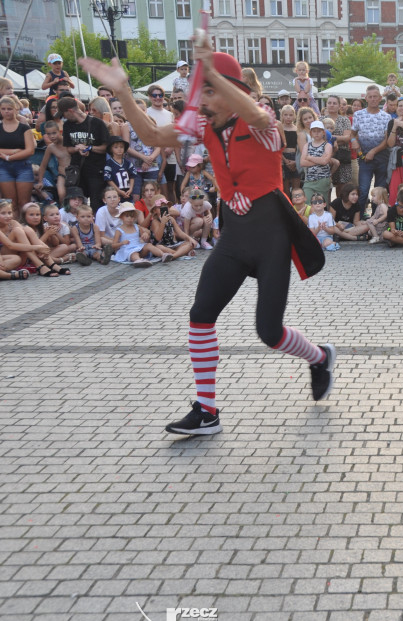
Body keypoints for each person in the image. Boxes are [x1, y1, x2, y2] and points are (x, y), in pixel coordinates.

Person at [81, 44, 334, 436]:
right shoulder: (201, 126)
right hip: (232, 237)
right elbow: (149, 133)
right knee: (200, 316)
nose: (203, 99)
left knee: (269, 332)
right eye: (204, 90)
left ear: (232, 89)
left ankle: (318, 357)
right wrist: (124, 92)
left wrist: (211, 74)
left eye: (211, 92)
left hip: (271, 238)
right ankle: (207, 411)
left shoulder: (261, 119)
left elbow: (250, 111)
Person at [0, 197, 70, 276]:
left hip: (22, 254)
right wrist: (37, 247)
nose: (7, 216)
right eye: (3, 213)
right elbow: (10, 245)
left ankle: (51, 264)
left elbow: (56, 243)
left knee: (27, 230)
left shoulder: (13, 222)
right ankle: (41, 266)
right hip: (5, 254)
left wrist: (43, 247)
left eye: (9, 213)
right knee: (18, 230)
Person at [351, 85, 393, 212]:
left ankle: (377, 217)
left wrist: (373, 151)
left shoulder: (386, 117)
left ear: (380, 98)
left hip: (382, 156)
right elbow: (352, 134)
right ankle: (359, 217)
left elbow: (387, 140)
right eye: (370, 97)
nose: (373, 99)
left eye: (376, 96)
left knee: (379, 191)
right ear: (366, 98)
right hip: (364, 157)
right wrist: (354, 141)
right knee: (363, 190)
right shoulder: (358, 115)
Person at [0, 95, 36, 212]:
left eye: (9, 109)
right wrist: (15, 151)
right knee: (10, 203)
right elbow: (25, 150)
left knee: (24, 203)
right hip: (3, 167)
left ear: (16, 110)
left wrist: (8, 157)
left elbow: (30, 150)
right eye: (3, 109)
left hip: (23, 166)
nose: (6, 111)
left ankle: (25, 227)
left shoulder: (24, 128)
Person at [145, 85, 177, 201]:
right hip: (153, 158)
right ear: (149, 97)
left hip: (171, 156)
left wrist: (171, 147)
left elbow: (176, 133)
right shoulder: (146, 113)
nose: (157, 98)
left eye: (160, 95)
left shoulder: (170, 114)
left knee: (170, 188)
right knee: (153, 189)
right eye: (154, 95)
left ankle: (171, 212)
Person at [110, 202, 167, 267]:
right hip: (128, 251)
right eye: (127, 216)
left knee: (149, 245)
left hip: (139, 248)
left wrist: (145, 235)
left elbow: (146, 239)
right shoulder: (119, 230)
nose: (130, 218)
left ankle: (163, 255)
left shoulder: (137, 227)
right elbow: (113, 245)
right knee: (133, 254)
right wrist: (122, 243)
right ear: (121, 217)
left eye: (132, 216)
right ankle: (138, 260)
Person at [300, 120, 333, 202]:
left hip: (322, 179)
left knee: (321, 204)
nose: (317, 133)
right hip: (309, 180)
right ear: (311, 133)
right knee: (307, 204)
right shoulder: (307, 145)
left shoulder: (327, 145)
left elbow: (325, 161)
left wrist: (309, 157)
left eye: (319, 131)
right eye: (314, 131)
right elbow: (302, 162)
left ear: (323, 132)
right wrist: (320, 160)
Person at [104, 136, 136, 202]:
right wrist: (118, 191)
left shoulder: (128, 163)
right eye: (116, 147)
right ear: (111, 149)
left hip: (128, 194)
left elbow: (132, 176)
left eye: (121, 147)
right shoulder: (109, 164)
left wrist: (131, 189)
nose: (119, 149)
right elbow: (108, 179)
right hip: (116, 195)